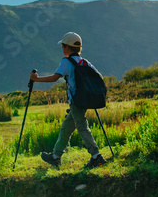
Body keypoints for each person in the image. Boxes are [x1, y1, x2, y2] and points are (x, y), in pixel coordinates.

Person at [30, 32, 108, 169]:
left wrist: (36, 79)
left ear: (67, 47)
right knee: (66, 128)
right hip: (85, 99)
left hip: (76, 100)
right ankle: (56, 156)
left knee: (82, 127)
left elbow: (55, 77)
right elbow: (99, 76)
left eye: (63, 46)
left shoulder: (66, 62)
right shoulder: (84, 62)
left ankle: (96, 156)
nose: (62, 49)